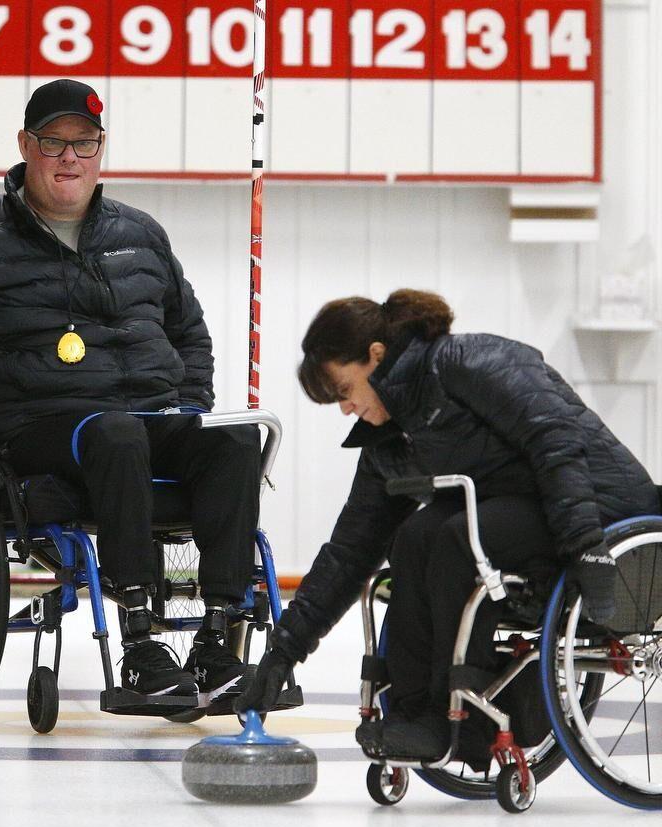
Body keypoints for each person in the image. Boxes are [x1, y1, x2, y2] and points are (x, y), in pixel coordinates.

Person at [0, 79, 261, 712]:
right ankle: (140, 645)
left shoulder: (142, 235)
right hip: (35, 429)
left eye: (84, 143)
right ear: (25, 145)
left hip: (146, 424)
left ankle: (218, 645)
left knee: (236, 439)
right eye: (54, 142)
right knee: (115, 432)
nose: (69, 158)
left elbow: (190, 335)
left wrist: (189, 410)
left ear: (101, 149)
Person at [236, 288, 659, 759]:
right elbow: (349, 552)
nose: (345, 409)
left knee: (457, 535)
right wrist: (281, 655)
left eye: (344, 391)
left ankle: (458, 721)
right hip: (519, 515)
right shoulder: (390, 442)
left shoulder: (467, 362)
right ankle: (417, 716)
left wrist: (586, 544)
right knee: (414, 535)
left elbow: (554, 438)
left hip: (602, 510)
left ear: (376, 356)